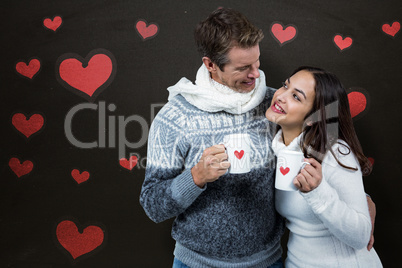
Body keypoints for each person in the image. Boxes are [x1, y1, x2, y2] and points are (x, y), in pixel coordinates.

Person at [140, 8, 285, 268]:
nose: (255, 74)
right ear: (211, 65)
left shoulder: (276, 105)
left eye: (257, 62)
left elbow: (324, 151)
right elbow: (152, 204)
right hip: (195, 263)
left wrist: (360, 200)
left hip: (267, 261)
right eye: (243, 68)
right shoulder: (175, 116)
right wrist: (195, 177)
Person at [265, 66, 382, 267]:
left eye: (296, 97)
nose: (281, 96)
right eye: (285, 85)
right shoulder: (278, 149)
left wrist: (317, 192)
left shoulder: (334, 152)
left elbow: (361, 236)